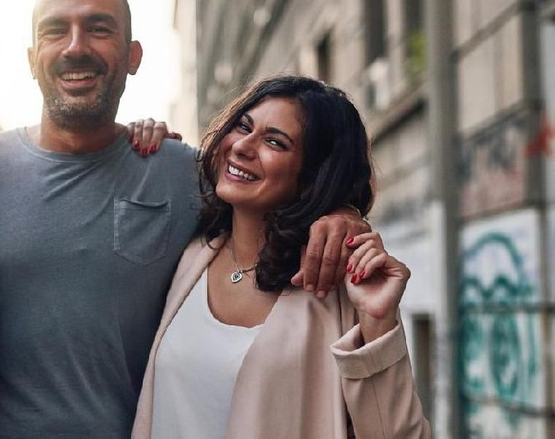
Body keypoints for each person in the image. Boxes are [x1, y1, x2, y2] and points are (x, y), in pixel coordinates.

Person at [0, 0, 367, 436]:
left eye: (98, 28)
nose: (75, 46)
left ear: (133, 56)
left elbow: (276, 193)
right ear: (31, 58)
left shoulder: (183, 172)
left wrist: (340, 216)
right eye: (55, 30)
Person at [132, 76, 430, 438]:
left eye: (275, 141)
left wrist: (379, 321)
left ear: (312, 176)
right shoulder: (193, 255)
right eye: (243, 126)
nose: (242, 146)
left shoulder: (338, 289)